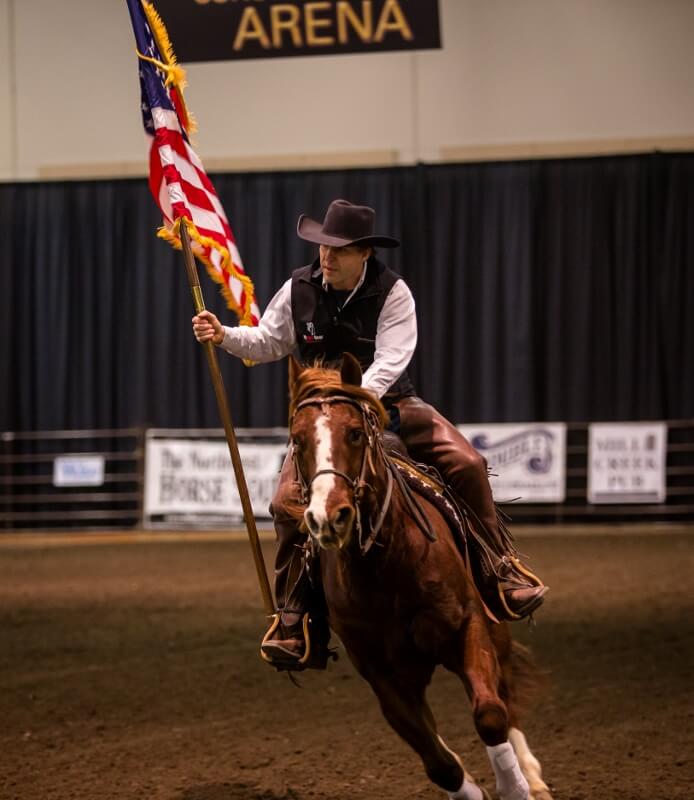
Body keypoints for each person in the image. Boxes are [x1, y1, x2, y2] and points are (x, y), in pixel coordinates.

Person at [192, 199, 547, 670]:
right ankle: (294, 614)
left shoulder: (392, 291)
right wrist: (223, 335)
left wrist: (358, 400)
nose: (326, 257)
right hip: (323, 416)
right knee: (284, 506)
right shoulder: (298, 287)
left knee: (467, 463)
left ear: (364, 254)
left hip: (391, 402)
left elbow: (392, 358)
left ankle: (497, 567)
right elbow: (269, 341)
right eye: (323, 248)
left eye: (338, 250)